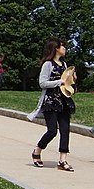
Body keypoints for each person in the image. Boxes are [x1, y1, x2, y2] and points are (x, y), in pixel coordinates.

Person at [28, 38, 76, 171]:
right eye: (62, 47)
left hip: (63, 101)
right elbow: (42, 83)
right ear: (56, 49)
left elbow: (66, 82)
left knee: (65, 130)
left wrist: (71, 81)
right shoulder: (48, 64)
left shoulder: (64, 65)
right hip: (50, 101)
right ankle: (37, 151)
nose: (65, 49)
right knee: (52, 131)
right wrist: (58, 82)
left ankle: (62, 160)